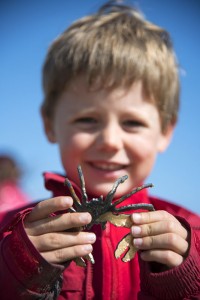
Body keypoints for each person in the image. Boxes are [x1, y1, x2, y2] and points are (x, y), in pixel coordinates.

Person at [0, 1, 199, 299]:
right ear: (50, 124)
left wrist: (185, 275)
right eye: (87, 119)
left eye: (132, 122)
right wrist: (18, 265)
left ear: (165, 131)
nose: (109, 141)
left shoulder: (189, 235)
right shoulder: (16, 231)